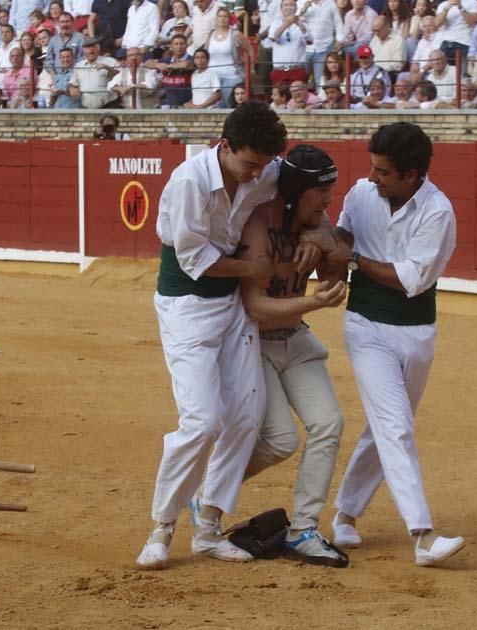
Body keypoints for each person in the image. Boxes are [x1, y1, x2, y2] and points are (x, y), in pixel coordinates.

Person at [135, 101, 289, 570]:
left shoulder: (264, 169)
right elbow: (194, 260)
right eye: (248, 164)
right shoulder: (188, 182)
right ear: (223, 147)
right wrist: (252, 268)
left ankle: (207, 528)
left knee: (245, 415)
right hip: (188, 308)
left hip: (233, 308)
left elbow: (303, 184)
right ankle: (161, 526)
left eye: (262, 166)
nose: (255, 175)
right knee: (202, 421)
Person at [330, 122, 463, 568]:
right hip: (364, 323)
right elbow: (343, 233)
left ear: (412, 175)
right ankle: (423, 535)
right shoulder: (361, 194)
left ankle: (346, 512)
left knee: (387, 426)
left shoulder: (437, 212)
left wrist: (348, 258)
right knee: (396, 426)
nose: (373, 178)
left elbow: (410, 280)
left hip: (416, 331)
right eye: (373, 169)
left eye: (383, 172)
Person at [233, 144, 351, 568]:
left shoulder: (319, 223)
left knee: (328, 423)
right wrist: (315, 304)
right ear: (296, 192)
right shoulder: (259, 223)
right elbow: (257, 308)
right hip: (256, 344)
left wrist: (328, 244)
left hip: (296, 340)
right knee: (281, 440)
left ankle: (303, 530)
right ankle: (208, 488)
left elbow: (335, 276)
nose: (328, 200)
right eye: (321, 193)